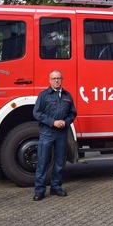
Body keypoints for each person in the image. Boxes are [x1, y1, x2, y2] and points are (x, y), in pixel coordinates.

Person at [32, 70, 77, 201]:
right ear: (49, 80)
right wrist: (53, 122)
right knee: (43, 161)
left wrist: (65, 122)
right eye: (54, 78)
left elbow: (72, 113)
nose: (56, 81)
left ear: (62, 80)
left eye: (59, 78)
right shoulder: (44, 95)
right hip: (47, 132)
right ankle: (39, 190)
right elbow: (37, 113)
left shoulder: (67, 95)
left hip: (62, 133)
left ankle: (56, 187)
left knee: (59, 162)